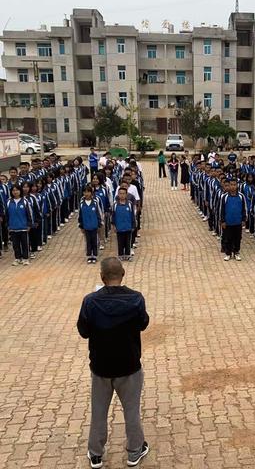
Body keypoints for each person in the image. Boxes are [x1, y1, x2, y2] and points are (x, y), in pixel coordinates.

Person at [77, 257, 150, 469]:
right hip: (129, 366)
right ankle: (135, 451)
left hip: (101, 367)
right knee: (132, 410)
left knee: (99, 411)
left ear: (102, 277)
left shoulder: (90, 301)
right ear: (123, 274)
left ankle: (96, 453)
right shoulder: (136, 299)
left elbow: (83, 331)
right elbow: (143, 324)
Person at [220, 180, 247, 261]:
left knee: (237, 238)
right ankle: (228, 253)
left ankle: (236, 252)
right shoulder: (224, 197)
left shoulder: (241, 196)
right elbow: (222, 210)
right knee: (228, 238)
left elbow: (244, 209)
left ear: (237, 185)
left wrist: (243, 219)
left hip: (238, 222)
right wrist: (222, 221)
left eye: (234, 185)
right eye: (231, 184)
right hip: (228, 222)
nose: (232, 186)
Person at [6, 184, 32, 266]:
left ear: (20, 191)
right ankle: (17, 258)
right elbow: (7, 215)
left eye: (17, 190)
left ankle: (25, 258)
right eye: (13, 190)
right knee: (15, 245)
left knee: (25, 244)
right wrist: (8, 226)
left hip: (23, 227)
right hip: (13, 228)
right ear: (11, 192)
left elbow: (29, 214)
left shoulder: (24, 201)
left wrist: (29, 225)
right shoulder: (9, 202)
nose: (15, 192)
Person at [78, 185, 103, 264]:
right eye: (85, 192)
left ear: (91, 193)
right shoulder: (82, 203)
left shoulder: (95, 202)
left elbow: (98, 213)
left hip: (94, 226)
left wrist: (99, 224)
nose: (86, 194)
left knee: (94, 241)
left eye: (88, 192)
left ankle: (95, 255)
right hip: (86, 226)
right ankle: (89, 256)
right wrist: (81, 225)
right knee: (88, 241)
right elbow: (80, 215)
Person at [112, 187, 136, 261]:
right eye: (120, 193)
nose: (122, 195)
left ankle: (128, 255)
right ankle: (120, 254)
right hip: (119, 227)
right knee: (120, 242)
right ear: (118, 195)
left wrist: (133, 225)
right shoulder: (115, 205)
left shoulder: (129, 204)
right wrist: (114, 226)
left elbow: (132, 215)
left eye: (123, 194)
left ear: (126, 194)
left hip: (128, 227)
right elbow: (113, 216)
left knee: (128, 242)